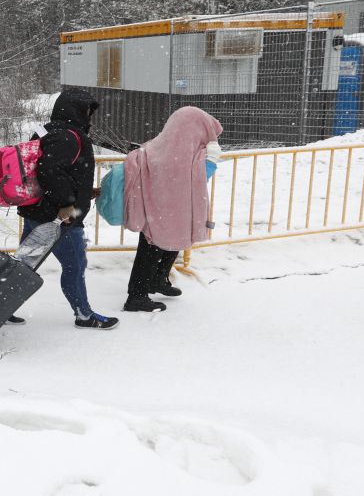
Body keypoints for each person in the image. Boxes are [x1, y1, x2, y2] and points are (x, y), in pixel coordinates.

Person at [17, 88, 119, 330]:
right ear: (76, 110)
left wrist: (84, 192)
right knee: (74, 266)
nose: (90, 117)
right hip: (61, 218)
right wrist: (66, 203)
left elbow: (54, 170)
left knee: (23, 265)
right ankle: (84, 315)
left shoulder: (47, 131)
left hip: (37, 210)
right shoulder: (69, 136)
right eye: (87, 111)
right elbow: (50, 171)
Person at [121, 106, 223, 312]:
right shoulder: (184, 155)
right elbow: (198, 179)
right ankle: (137, 295)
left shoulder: (160, 147)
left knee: (175, 239)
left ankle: (157, 279)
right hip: (159, 210)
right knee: (151, 248)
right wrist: (211, 162)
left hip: (163, 209)